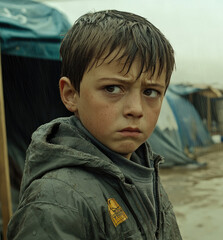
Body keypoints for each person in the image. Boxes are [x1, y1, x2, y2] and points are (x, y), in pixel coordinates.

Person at [7, 10, 182, 239]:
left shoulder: (144, 170)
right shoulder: (56, 200)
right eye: (112, 88)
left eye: (151, 92)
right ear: (70, 94)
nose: (136, 109)